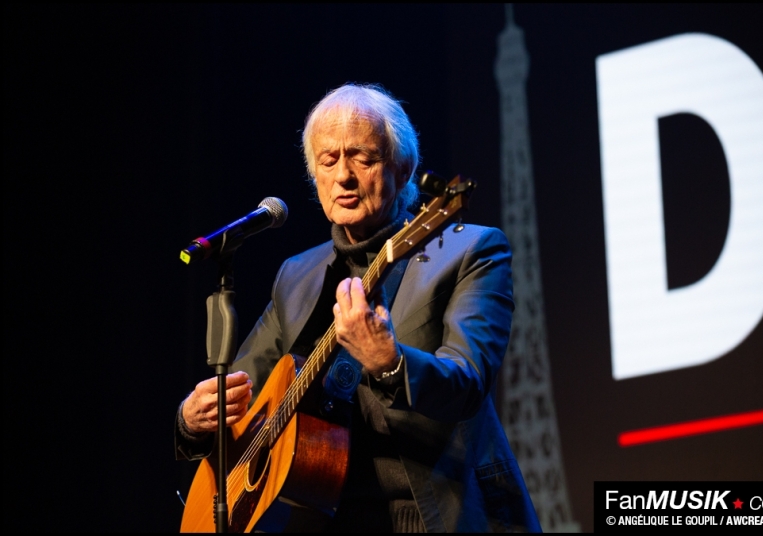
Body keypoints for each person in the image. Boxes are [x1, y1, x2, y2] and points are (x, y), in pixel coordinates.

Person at [176, 83, 542, 533]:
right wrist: (194, 421)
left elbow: (468, 383)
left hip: (433, 512)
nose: (343, 176)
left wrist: (390, 364)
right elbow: (241, 394)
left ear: (403, 169)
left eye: (362, 158)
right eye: (328, 160)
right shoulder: (296, 275)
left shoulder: (471, 252)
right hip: (323, 516)